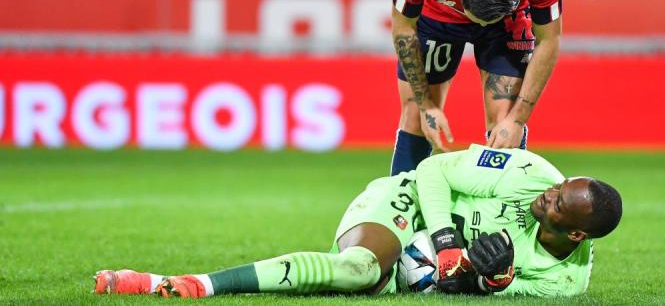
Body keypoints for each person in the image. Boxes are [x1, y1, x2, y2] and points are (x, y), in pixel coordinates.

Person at [93, 144, 622, 298]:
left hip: (431, 271)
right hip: (408, 202)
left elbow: (485, 291)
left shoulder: (566, 281)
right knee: (357, 270)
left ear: (575, 233)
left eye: (556, 205)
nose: (546, 196)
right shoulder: (528, 172)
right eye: (556, 188)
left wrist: (492, 281)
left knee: (375, 282)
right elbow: (433, 169)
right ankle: (188, 284)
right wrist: (442, 239)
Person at [390, 0, 563, 176]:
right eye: (478, 18)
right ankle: (400, 210)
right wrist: (425, 106)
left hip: (508, 23)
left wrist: (518, 119)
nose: (480, 25)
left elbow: (549, 40)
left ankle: (500, 215)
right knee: (415, 116)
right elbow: (403, 29)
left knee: (504, 122)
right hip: (438, 18)